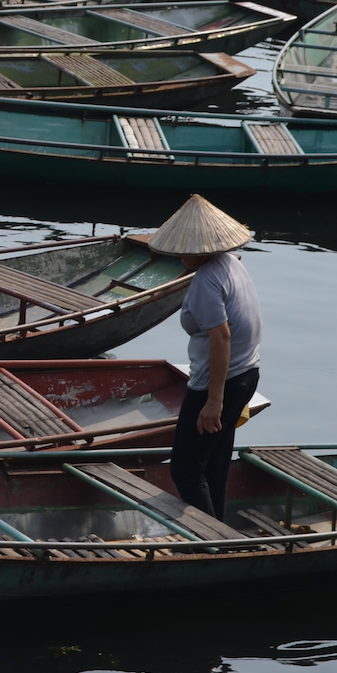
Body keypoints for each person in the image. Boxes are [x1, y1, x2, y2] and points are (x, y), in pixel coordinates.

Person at [147, 195, 262, 521]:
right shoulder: (232, 264)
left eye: (187, 249)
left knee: (185, 469)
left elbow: (221, 336)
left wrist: (214, 401)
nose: (182, 255)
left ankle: (209, 544)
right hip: (246, 375)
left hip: (220, 384)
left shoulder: (206, 280)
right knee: (214, 464)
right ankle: (219, 530)